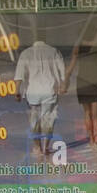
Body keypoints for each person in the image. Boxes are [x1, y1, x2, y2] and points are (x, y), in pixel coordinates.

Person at [14, 32, 67, 160]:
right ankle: (46, 147)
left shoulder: (26, 53)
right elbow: (62, 71)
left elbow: (19, 74)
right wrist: (63, 85)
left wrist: (17, 90)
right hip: (49, 90)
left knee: (34, 121)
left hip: (33, 92)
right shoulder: (54, 51)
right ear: (45, 39)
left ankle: (37, 148)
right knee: (48, 120)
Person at [65, 26, 97, 151]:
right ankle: (96, 141)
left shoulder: (78, 46)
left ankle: (91, 139)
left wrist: (65, 80)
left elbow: (71, 67)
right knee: (96, 114)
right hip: (96, 80)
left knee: (87, 113)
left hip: (82, 81)